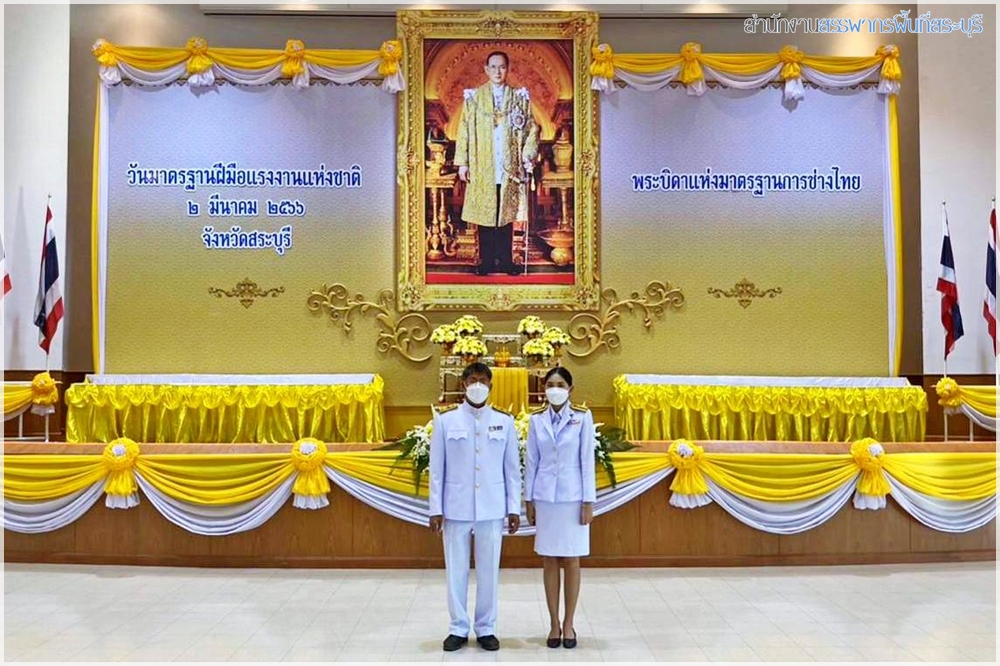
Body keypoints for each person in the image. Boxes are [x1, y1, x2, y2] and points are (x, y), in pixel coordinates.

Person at [428, 362, 522, 652]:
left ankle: (486, 628)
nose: (477, 385)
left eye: (483, 380)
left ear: (491, 386)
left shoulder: (504, 422)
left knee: (488, 570)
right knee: (455, 569)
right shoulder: (446, 421)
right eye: (472, 379)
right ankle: (457, 627)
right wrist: (435, 508)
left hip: (491, 507)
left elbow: (512, 470)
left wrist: (514, 507)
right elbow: (437, 470)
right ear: (464, 384)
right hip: (455, 507)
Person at [524, 366, 596, 650]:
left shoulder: (582, 417)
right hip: (545, 498)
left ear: (570, 389)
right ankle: (554, 622)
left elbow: (587, 460)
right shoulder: (536, 420)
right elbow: (531, 460)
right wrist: (528, 499)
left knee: (572, 559)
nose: (555, 388)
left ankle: (569, 623)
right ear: (544, 389)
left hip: (572, 498)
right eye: (550, 384)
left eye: (560, 384)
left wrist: (588, 501)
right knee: (550, 559)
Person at [454, 51, 540, 276]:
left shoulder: (519, 98)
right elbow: (463, 131)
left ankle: (506, 260)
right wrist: (463, 163)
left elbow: (531, 128)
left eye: (501, 67)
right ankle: (486, 261)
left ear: (507, 68)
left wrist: (527, 155)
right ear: (486, 69)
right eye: (493, 67)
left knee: (506, 214)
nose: (497, 71)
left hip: (508, 165)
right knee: (486, 215)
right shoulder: (473, 99)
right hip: (483, 163)